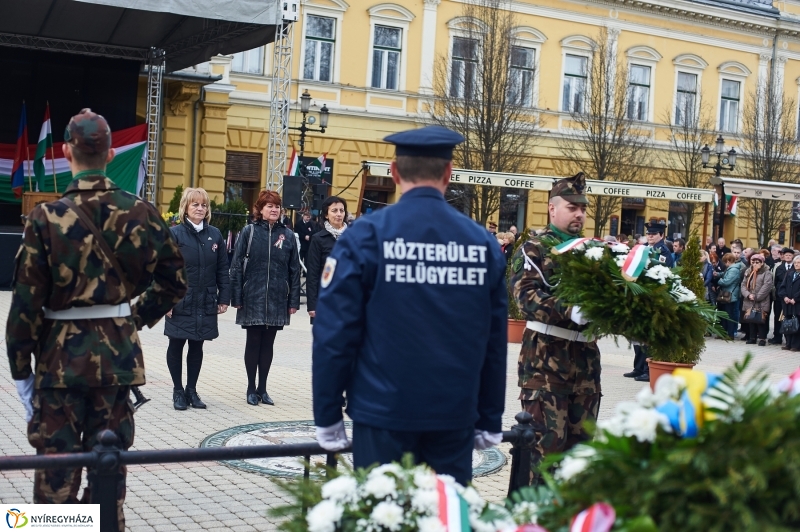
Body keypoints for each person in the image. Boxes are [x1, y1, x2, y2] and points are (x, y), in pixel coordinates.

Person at [5, 109, 186, 527]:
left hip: (59, 368)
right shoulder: (140, 212)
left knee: (56, 488)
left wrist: (21, 374)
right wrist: (130, 318)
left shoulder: (45, 219)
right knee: (108, 477)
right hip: (118, 367)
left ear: (66, 151)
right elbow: (174, 282)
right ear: (108, 154)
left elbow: (24, 309)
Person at [312, 125, 507, 485]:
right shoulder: (481, 243)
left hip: (382, 410)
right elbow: (494, 339)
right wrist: (490, 416)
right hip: (453, 411)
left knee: (382, 517)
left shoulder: (364, 237)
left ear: (395, 172)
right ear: (449, 174)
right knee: (446, 518)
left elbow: (334, 334)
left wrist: (327, 414)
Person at [509, 172, 601, 481]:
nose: (579, 214)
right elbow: (525, 297)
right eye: (572, 207)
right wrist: (569, 308)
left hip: (585, 367)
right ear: (552, 209)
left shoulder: (593, 253)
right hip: (545, 368)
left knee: (580, 462)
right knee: (543, 457)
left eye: (583, 208)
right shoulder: (534, 248)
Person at [230, 190, 301, 406]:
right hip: (252, 295)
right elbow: (236, 264)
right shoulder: (249, 231)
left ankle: (263, 388)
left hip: (278, 297)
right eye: (269, 206)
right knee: (253, 342)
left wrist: (293, 301)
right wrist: (236, 296)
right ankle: (251, 388)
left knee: (269, 344)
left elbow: (295, 269)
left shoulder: (288, 235)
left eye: (277, 206)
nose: (274, 210)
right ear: (260, 210)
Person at [164, 187, 230, 410]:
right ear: (185, 207)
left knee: (197, 344)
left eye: (203, 205)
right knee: (176, 343)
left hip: (205, 299)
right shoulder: (175, 234)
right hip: (181, 299)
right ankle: (177, 391)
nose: (200, 208)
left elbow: (223, 268)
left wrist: (224, 297)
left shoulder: (215, 234)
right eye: (195, 204)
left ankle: (191, 390)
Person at [306, 196, 348, 322]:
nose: (339, 214)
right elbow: (312, 273)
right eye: (334, 211)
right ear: (326, 214)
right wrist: (312, 305)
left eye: (342, 210)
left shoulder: (353, 236)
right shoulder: (318, 239)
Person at [740, 254, 773, 346]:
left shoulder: (766, 272)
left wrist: (757, 297)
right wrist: (748, 295)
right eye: (753, 262)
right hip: (749, 299)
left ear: (762, 263)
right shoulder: (748, 271)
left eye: (757, 262)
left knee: (760, 319)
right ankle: (752, 337)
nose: (754, 264)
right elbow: (743, 285)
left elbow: (767, 286)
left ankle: (762, 338)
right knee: (751, 319)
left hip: (761, 300)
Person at [770, 247, 795, 345]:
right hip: (780, 296)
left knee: (789, 317)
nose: (788, 257)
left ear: (793, 257)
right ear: (783, 257)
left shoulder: (795, 267)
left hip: (791, 298)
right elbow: (775, 282)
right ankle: (777, 337)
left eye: (790, 255)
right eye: (786, 255)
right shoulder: (779, 267)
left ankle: (789, 338)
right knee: (777, 317)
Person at [717, 252, 744, 339]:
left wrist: (719, 281)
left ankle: (730, 334)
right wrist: (718, 274)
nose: (725, 264)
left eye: (725, 262)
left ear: (729, 261)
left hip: (730, 295)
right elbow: (725, 274)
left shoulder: (733, 269)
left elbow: (726, 281)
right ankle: (726, 333)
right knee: (726, 314)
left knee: (729, 315)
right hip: (728, 294)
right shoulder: (731, 268)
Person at [778, 254, 800, 352]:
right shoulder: (789, 274)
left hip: (797, 304)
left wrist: (795, 298)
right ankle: (788, 343)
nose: (797, 264)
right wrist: (785, 297)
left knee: (797, 324)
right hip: (787, 304)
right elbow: (782, 287)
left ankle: (796, 345)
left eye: (799, 263)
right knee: (788, 324)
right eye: (795, 263)